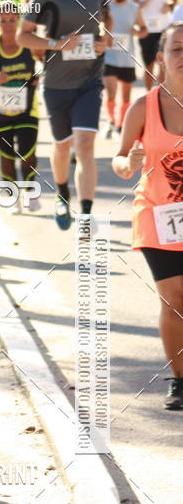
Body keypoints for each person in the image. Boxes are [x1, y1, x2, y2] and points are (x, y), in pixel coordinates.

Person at [112, 22, 183, 410]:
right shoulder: (145, 106)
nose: (182, 56)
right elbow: (120, 157)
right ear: (161, 57)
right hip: (159, 215)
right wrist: (127, 164)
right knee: (174, 298)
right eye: (176, 49)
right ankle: (180, 380)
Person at [18, 0, 111, 229]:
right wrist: (56, 43)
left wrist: (105, 40)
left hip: (89, 81)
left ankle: (85, 213)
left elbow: (107, 21)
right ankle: (62, 192)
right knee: (62, 146)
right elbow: (23, 36)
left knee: (85, 145)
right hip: (57, 84)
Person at [0, 3, 41, 214]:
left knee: (27, 152)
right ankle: (12, 198)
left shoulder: (29, 42)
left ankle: (30, 193)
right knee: (6, 155)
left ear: (19, 20)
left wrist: (38, 76)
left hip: (27, 108)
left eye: (12, 20)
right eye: (2, 20)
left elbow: (46, 61)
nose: (7, 25)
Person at [103, 0, 147, 139]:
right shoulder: (105, 6)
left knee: (126, 96)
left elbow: (144, 30)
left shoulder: (134, 8)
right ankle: (111, 122)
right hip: (108, 57)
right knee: (111, 93)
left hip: (127, 58)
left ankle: (121, 125)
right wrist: (103, 36)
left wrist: (138, 32)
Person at [131, 0, 177, 91]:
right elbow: (131, 6)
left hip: (164, 30)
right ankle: (148, 94)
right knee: (149, 65)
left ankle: (159, 94)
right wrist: (143, 3)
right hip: (146, 30)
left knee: (163, 64)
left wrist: (168, 5)